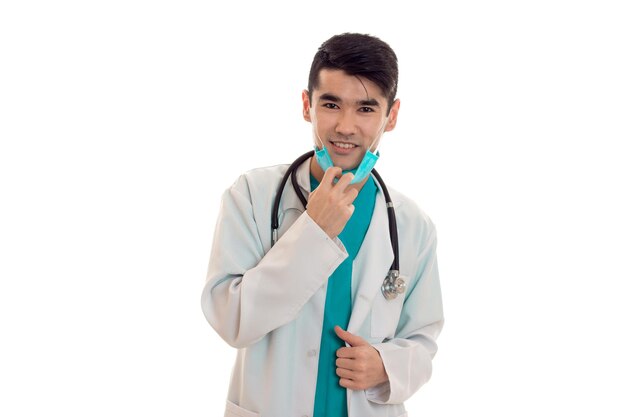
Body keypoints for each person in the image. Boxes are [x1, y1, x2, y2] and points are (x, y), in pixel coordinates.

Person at [201, 32, 444, 417]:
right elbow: (231, 320)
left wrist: (387, 365)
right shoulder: (251, 196)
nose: (346, 127)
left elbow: (423, 340)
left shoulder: (413, 225)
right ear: (306, 105)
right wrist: (313, 230)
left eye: (366, 109)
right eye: (331, 104)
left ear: (391, 116)